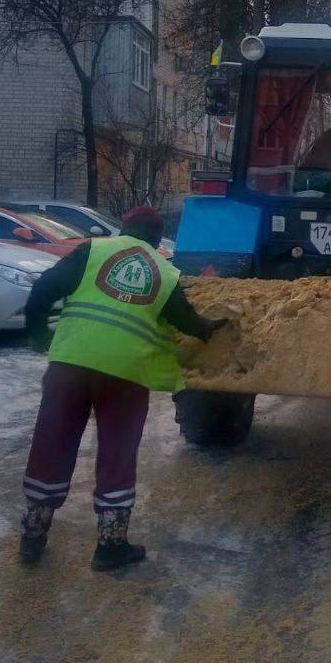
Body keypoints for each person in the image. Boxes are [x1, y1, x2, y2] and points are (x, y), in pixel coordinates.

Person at [19, 206, 224, 571]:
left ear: (123, 230)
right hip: (125, 377)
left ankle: (33, 537)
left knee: (51, 445)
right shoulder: (164, 272)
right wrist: (211, 329)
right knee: (117, 454)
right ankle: (110, 546)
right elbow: (187, 321)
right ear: (157, 239)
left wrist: (37, 333)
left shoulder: (92, 251)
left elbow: (43, 288)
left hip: (69, 367)